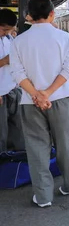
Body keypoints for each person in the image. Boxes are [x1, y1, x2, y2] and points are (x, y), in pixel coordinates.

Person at [10, 0, 69, 208]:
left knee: (36, 148)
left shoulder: (19, 41)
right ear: (52, 13)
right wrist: (48, 92)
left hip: (29, 101)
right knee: (65, 145)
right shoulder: (64, 37)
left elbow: (17, 73)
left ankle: (43, 196)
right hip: (60, 99)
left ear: (29, 16)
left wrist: (36, 95)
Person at [0, 9, 24, 152]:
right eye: (4, 29)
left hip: (13, 91)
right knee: (1, 134)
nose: (6, 33)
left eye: (9, 30)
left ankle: (16, 165)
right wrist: (4, 61)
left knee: (18, 132)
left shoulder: (9, 39)